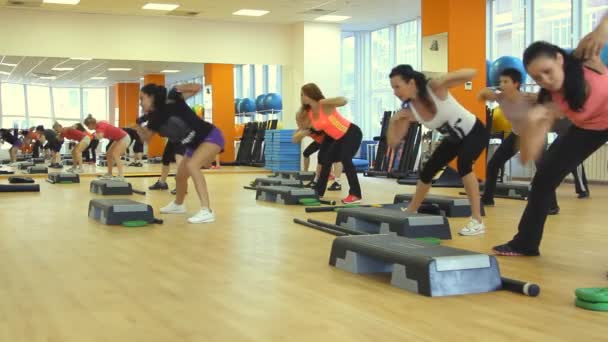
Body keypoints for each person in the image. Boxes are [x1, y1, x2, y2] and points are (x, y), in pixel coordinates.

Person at [492, 37, 608, 256]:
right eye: (537, 77)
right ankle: (525, 243)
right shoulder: (549, 100)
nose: (545, 80)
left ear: (559, 58)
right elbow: (528, 154)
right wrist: (532, 127)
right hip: (588, 129)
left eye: (547, 71)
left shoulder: (585, 60)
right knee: (543, 178)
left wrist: (601, 28)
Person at [387, 64, 489, 236]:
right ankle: (412, 209)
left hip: (475, 131)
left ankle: (477, 220)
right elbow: (394, 142)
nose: (395, 92)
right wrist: (394, 121)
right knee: (427, 172)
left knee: (464, 165)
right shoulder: (409, 110)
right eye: (393, 88)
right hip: (454, 139)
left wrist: (443, 78)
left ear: (411, 82)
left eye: (397, 86)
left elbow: (471, 72)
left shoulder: (434, 88)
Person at [136, 83, 224, 224]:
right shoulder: (154, 118)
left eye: (142, 99)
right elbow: (146, 139)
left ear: (152, 97)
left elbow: (197, 87)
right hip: (193, 145)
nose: (140, 103)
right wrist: (139, 125)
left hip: (210, 136)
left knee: (193, 165)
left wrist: (178, 88)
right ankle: (178, 205)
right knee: (180, 177)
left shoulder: (173, 99)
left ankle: (206, 210)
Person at [478, 68, 560, 214]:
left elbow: (553, 102)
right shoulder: (501, 97)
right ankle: (487, 198)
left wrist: (539, 98)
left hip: (534, 136)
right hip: (516, 135)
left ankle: (552, 206)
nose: (502, 84)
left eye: (506, 81)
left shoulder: (527, 98)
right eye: (500, 81)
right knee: (493, 164)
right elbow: (482, 94)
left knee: (544, 170)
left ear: (516, 84)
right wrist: (486, 93)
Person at [293, 83, 363, 204]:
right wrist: (301, 133)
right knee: (325, 160)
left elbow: (344, 100)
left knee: (346, 159)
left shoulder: (324, 105)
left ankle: (356, 194)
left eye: (303, 94)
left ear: (311, 94)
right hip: (336, 138)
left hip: (351, 133)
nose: (301, 97)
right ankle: (318, 192)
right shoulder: (309, 113)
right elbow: (297, 135)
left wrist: (325, 101)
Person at [552, 117, 590, 198]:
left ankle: (583, 190)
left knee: (576, 166)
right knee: (554, 165)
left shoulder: (568, 118)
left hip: (573, 142)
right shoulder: (554, 118)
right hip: (563, 141)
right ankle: (543, 187)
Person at [84, 115, 130, 180]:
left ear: (91, 124)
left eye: (87, 126)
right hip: (118, 139)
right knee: (108, 154)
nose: (87, 127)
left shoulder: (100, 126)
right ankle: (109, 174)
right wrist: (94, 135)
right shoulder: (98, 127)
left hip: (124, 137)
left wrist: (93, 135)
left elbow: (100, 136)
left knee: (115, 154)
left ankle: (121, 176)